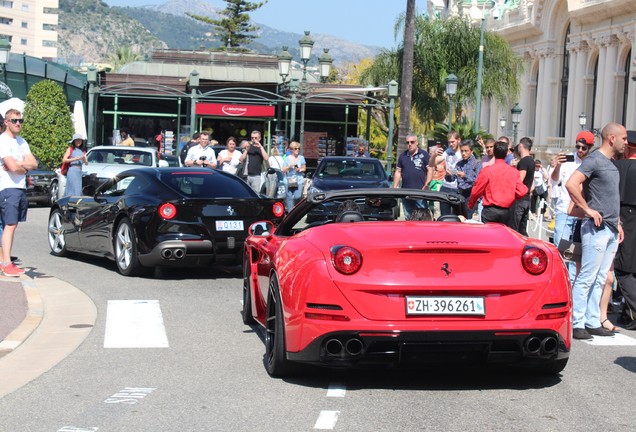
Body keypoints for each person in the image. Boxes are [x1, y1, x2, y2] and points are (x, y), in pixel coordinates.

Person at [565, 122, 627, 340]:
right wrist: (587, 209)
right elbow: (572, 184)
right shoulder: (594, 160)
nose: (626, 143)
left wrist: (617, 222)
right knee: (587, 276)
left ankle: (592, 320)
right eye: (624, 138)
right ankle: (577, 322)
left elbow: (610, 197)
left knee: (601, 278)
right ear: (612, 139)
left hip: (609, 228)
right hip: (596, 228)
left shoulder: (609, 163)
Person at [551, 130, 595, 282]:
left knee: (579, 251)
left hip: (584, 212)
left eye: (584, 148)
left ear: (591, 147)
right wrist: (557, 166)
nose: (580, 150)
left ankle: (573, 282)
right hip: (565, 209)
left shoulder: (594, 162)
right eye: (578, 147)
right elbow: (554, 181)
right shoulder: (568, 160)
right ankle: (563, 281)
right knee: (561, 248)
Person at [0, 109, 37, 276]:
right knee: (9, 224)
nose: (18, 123)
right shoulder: (3, 141)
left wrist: (19, 165)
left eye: (20, 121)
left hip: (19, 187)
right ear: (6, 122)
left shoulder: (22, 142)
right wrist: (21, 166)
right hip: (7, 188)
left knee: (9, 225)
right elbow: (12, 167)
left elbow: (34, 164)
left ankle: (4, 261)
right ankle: (6, 263)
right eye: (14, 120)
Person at [468, 141, 528, 224]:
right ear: (506, 154)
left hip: (490, 210)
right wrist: (512, 196)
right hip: (507, 211)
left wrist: (471, 204)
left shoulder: (487, 171)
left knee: (488, 236)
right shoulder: (513, 172)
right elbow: (522, 191)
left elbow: (476, 190)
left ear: (494, 153)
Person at [615, 130, 636, 331]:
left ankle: (633, 312)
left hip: (626, 216)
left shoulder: (620, 166)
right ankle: (626, 311)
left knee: (623, 268)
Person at [393, 133, 431, 219]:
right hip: (405, 192)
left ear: (417, 142)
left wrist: (427, 184)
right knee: (408, 217)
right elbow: (398, 172)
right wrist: (395, 187)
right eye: (408, 142)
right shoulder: (403, 156)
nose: (410, 144)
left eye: (412, 142)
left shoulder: (424, 155)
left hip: (420, 192)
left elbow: (430, 170)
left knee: (423, 216)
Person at [428, 131, 462, 216]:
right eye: (449, 142)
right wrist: (434, 155)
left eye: (453, 142)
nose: (451, 144)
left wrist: (453, 172)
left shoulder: (463, 153)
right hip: (445, 187)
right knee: (444, 216)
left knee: (456, 217)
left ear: (459, 140)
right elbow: (432, 164)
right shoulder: (447, 151)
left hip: (457, 188)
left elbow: (466, 170)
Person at [509, 137, 535, 236]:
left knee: (514, 229)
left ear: (520, 146)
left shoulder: (524, 161)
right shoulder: (531, 161)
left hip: (519, 199)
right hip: (526, 198)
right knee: (522, 228)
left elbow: (519, 181)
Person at [455, 140, 481, 219]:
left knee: (468, 218)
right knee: (458, 218)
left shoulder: (477, 163)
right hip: (460, 193)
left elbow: (477, 181)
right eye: (462, 151)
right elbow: (453, 179)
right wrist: (449, 174)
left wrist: (465, 176)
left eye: (466, 151)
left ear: (471, 151)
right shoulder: (459, 163)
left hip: (470, 195)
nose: (463, 153)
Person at [282, 141, 306, 210]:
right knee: (289, 197)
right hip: (288, 181)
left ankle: (296, 210)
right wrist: (289, 166)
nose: (297, 150)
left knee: (297, 196)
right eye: (296, 148)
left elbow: (304, 168)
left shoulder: (301, 158)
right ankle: (290, 214)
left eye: (299, 148)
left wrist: (299, 169)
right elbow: (283, 169)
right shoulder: (287, 158)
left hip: (298, 180)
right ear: (292, 149)